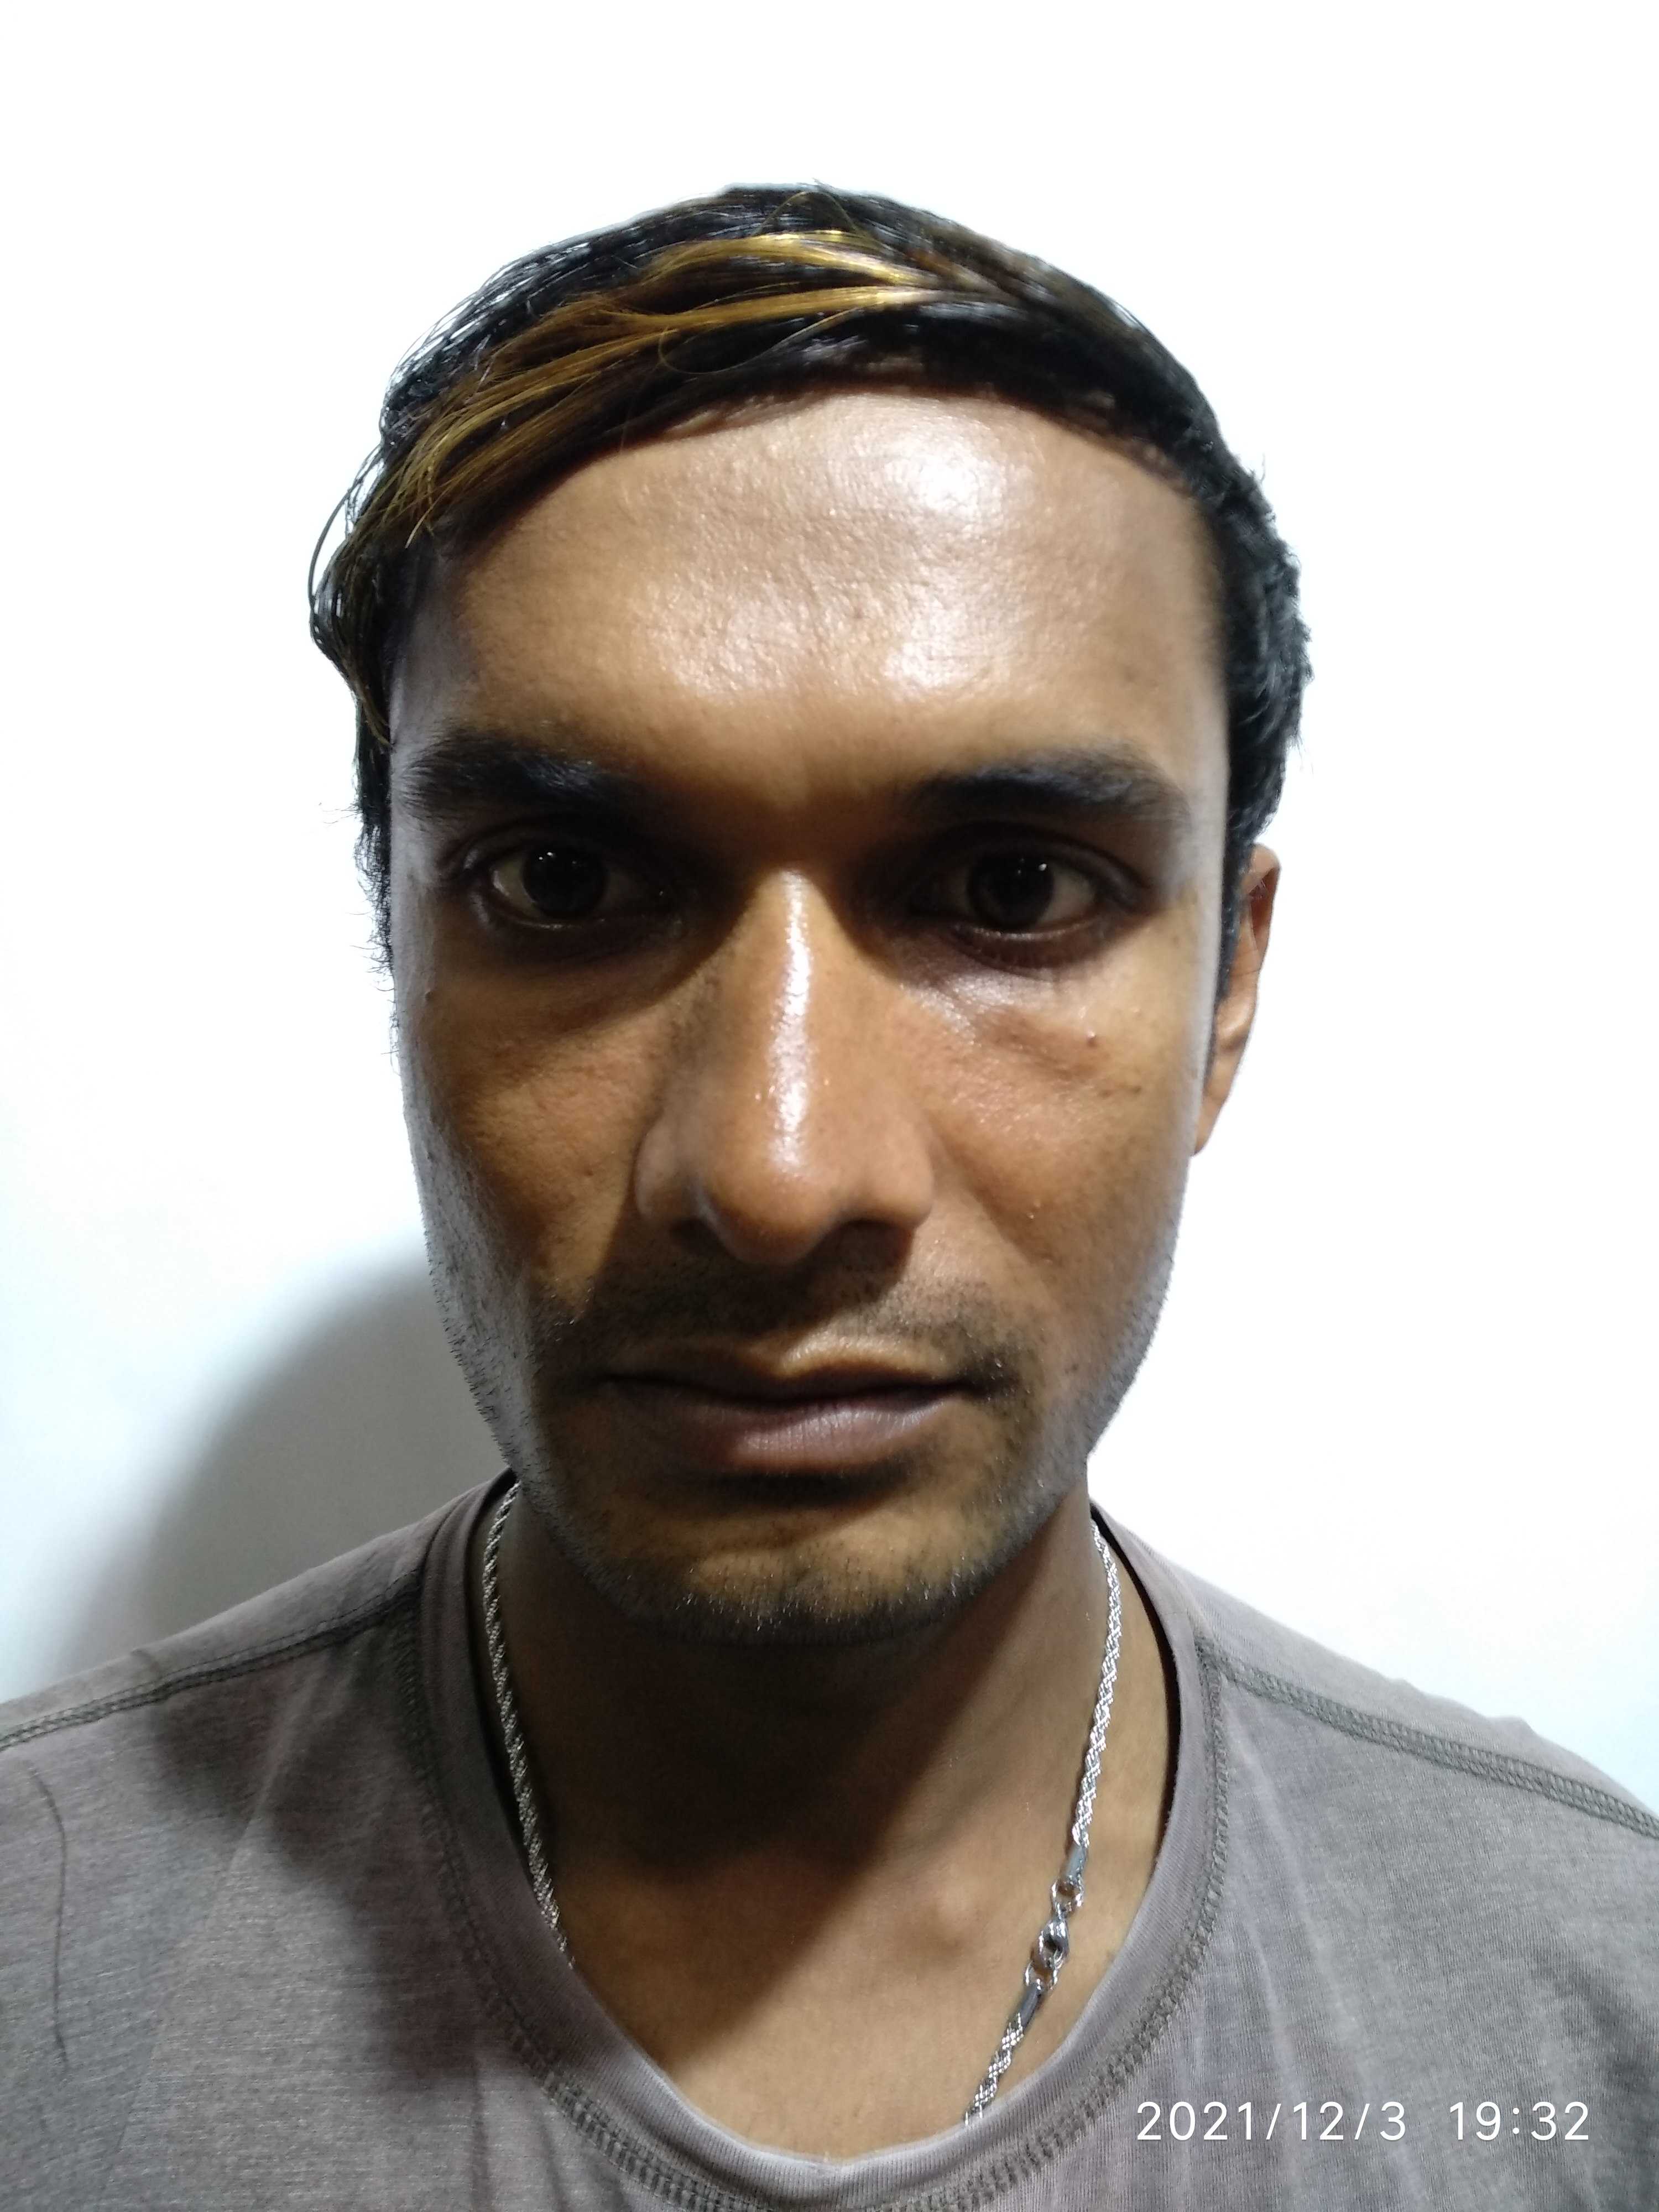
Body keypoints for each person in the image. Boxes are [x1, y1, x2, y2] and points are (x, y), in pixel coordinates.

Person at [2, 185, 1653, 2211]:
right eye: (565, 883)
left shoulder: (1583, 2013)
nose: (778, 1176)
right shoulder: (33, 1963)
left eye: (1010, 891)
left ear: (1229, 988)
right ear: (397, 944)